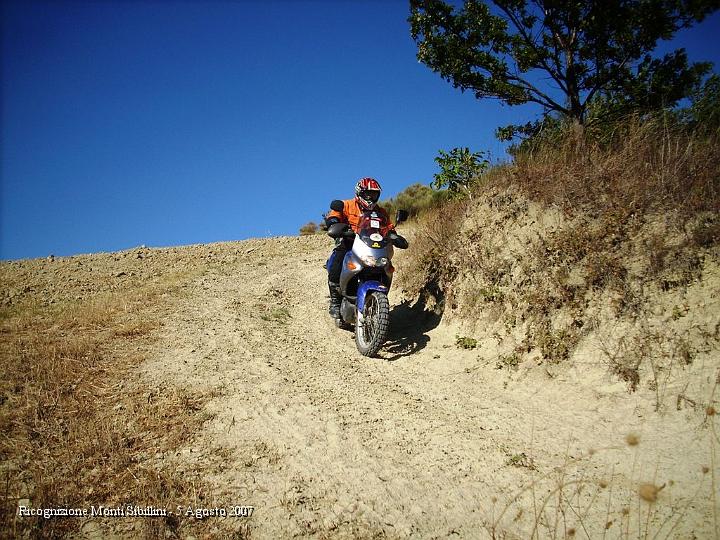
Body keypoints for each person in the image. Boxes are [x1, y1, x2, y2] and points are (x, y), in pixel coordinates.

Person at [324, 177, 406, 318]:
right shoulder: (346, 205)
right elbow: (334, 216)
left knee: (386, 264)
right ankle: (335, 302)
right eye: (368, 194)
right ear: (359, 192)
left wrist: (394, 236)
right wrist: (334, 223)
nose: (370, 197)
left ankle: (377, 300)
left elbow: (388, 227)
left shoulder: (381, 212)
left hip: (371, 244)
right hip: (350, 241)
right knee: (338, 260)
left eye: (374, 194)